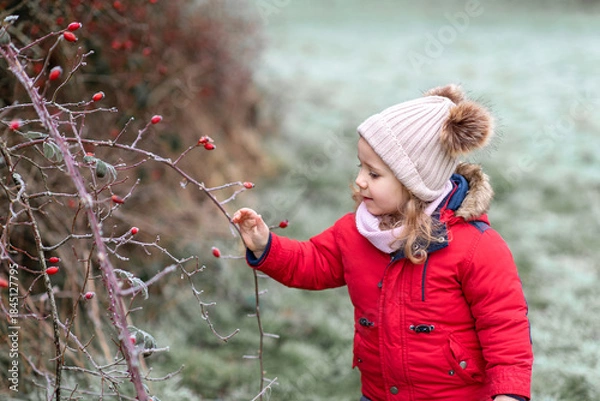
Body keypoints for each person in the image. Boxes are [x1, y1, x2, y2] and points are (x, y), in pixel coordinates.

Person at [232, 84, 533, 401]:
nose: (360, 180)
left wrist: (509, 393)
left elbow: (505, 327)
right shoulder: (357, 231)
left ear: (414, 183)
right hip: (379, 395)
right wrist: (265, 245)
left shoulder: (476, 247)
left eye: (374, 174)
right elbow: (312, 263)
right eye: (360, 166)